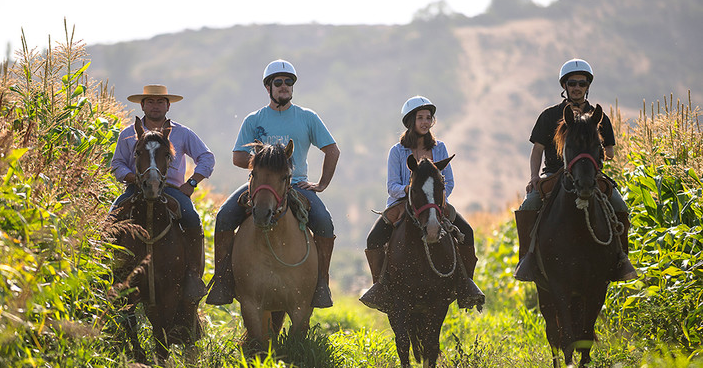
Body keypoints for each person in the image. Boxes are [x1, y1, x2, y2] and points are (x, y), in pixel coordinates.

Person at [206, 60, 340, 307]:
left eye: (288, 82)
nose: (284, 87)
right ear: (268, 87)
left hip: (296, 185)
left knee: (324, 222)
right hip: (259, 186)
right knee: (224, 216)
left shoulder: (308, 117)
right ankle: (223, 280)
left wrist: (321, 184)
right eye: (278, 83)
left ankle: (321, 284)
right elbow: (237, 157)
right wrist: (263, 165)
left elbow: (332, 151)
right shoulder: (253, 119)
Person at [514, 59, 637, 281]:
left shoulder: (599, 116)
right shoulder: (550, 115)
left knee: (619, 203)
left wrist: (594, 152)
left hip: (590, 174)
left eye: (582, 83)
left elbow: (610, 151)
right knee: (529, 204)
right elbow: (537, 150)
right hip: (554, 173)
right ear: (565, 86)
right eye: (572, 83)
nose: (577, 87)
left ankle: (621, 258)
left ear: (588, 86)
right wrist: (534, 177)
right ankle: (527, 258)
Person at [361, 96, 485, 312]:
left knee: (467, 232)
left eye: (429, 118)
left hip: (435, 203)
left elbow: (450, 181)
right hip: (402, 203)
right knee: (373, 238)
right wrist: (409, 190)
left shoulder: (440, 148)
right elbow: (392, 186)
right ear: (410, 121)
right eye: (420, 118)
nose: (425, 122)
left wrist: (438, 199)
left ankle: (466, 285)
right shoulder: (397, 151)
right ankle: (380, 287)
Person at [110, 84, 215, 301]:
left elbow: (206, 157)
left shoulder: (183, 133)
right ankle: (107, 272)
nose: (155, 106)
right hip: (136, 187)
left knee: (191, 217)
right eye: (150, 101)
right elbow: (117, 163)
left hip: (171, 190)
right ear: (142, 105)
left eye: (160, 102)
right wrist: (133, 178)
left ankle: (193, 275)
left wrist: (192, 182)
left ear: (168, 106)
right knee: (111, 217)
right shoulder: (128, 134)